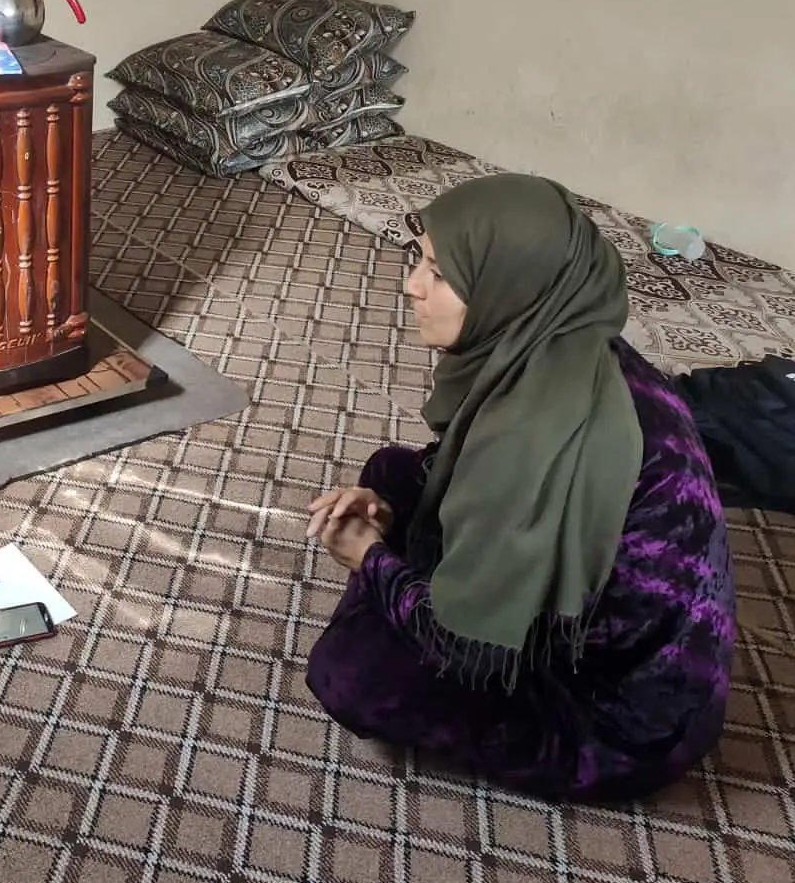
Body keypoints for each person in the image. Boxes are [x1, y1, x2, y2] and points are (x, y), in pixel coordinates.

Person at [303, 174, 734, 801]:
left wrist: (371, 561)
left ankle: (410, 590)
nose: (412, 286)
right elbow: (464, 461)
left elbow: (470, 650)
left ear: (507, 285)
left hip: (617, 724)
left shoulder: (534, 433)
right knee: (393, 474)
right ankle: (424, 574)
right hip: (633, 652)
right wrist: (392, 519)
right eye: (419, 260)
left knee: (350, 674)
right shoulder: (567, 344)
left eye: (442, 274)